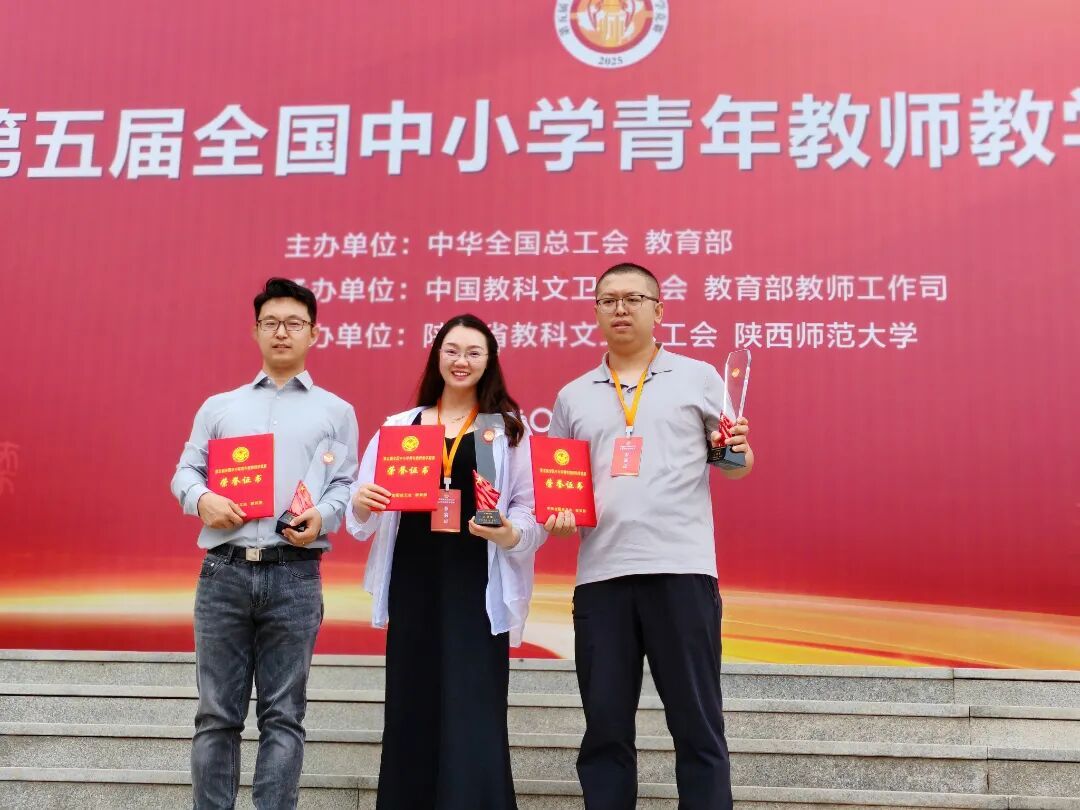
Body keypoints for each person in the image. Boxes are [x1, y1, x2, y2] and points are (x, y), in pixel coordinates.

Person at [545, 262, 754, 810]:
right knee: (605, 730)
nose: (620, 308)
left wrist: (738, 450)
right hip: (602, 579)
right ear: (595, 312)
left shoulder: (699, 377)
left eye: (633, 298)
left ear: (658, 310)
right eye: (607, 300)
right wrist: (558, 514)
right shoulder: (572, 396)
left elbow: (733, 464)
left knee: (697, 724)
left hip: (681, 572)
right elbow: (560, 486)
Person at [171, 277, 359, 809]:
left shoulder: (336, 411)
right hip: (224, 571)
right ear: (255, 331)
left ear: (314, 334)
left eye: (294, 323)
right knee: (216, 715)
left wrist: (323, 516)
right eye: (271, 322)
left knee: (284, 716)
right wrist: (203, 499)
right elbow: (185, 472)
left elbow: (345, 484)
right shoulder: (220, 407)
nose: (282, 332)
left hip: (294, 573)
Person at [347, 314, 544, 810]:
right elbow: (360, 515)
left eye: (474, 352)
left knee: (473, 705)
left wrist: (510, 532)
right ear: (437, 355)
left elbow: (528, 509)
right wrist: (362, 501)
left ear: (489, 361)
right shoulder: (400, 427)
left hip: (476, 583)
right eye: (452, 350)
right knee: (412, 702)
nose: (461, 361)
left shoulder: (507, 430)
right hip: (413, 581)